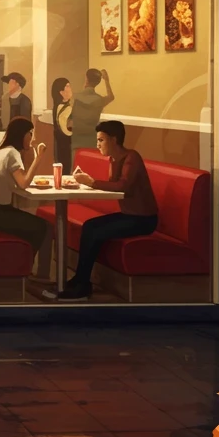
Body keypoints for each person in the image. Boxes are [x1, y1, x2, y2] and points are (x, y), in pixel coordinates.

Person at [51, 120, 159, 301]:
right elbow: (114, 185)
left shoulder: (132, 158)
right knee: (89, 226)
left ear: (114, 140)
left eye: (101, 140)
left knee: (94, 230)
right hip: (129, 215)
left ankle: (83, 285)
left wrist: (92, 182)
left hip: (144, 220)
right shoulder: (114, 159)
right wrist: (89, 181)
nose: (98, 144)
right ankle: (80, 279)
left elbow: (123, 187)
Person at [0, 117, 53, 281]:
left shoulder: (3, 151)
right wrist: (39, 157)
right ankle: (34, 274)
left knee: (32, 225)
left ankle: (21, 269)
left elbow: (15, 183)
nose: (32, 138)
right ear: (22, 134)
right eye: (30, 133)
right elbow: (24, 183)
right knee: (44, 227)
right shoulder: (12, 153)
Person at [70, 68, 114, 157]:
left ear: (86, 79)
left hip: (75, 139)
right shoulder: (99, 100)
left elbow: (69, 118)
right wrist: (106, 80)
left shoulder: (75, 97)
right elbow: (111, 97)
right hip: (92, 140)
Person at [51, 77, 74, 168]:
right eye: (67, 86)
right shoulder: (67, 108)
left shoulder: (57, 106)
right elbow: (66, 129)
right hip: (65, 142)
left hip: (58, 142)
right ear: (61, 92)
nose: (70, 89)